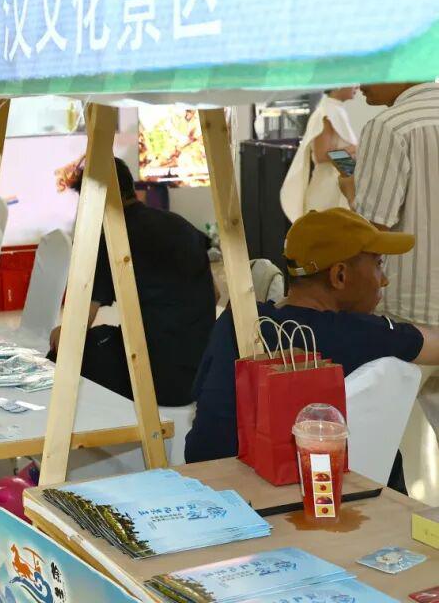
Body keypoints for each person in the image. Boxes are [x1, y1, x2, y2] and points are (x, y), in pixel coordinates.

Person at [185, 209, 439, 475]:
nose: (384, 280)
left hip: (206, 479)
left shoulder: (235, 322)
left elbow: (203, 408)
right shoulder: (361, 333)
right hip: (313, 490)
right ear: (340, 276)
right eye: (378, 264)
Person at [47, 158, 215, 406]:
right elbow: (216, 293)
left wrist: (61, 332)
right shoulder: (180, 225)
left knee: (59, 355)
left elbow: (79, 323)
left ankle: (91, 426)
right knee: (107, 338)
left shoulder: (112, 238)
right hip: (203, 372)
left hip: (156, 379)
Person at [348, 82, 439, 327]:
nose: (361, 83)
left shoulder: (389, 126)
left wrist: (350, 191)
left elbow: (371, 229)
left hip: (412, 307)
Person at [280, 86, 359, 222]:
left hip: (338, 187)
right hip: (327, 191)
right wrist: (356, 149)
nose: (357, 86)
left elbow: (343, 159)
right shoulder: (326, 113)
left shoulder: (336, 110)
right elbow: (322, 154)